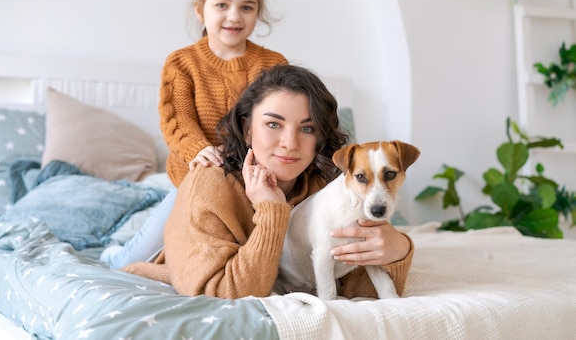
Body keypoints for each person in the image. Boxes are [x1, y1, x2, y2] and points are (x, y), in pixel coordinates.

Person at [121, 65, 414, 300]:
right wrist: (271, 213)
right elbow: (232, 295)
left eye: (307, 128)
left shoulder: (325, 187)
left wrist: (398, 250)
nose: (289, 143)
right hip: (184, 254)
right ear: (248, 130)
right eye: (273, 124)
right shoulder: (209, 186)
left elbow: (352, 285)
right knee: (121, 254)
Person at [100, 0, 288, 269]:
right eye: (222, 5)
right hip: (198, 174)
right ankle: (116, 255)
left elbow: (281, 121)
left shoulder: (273, 65)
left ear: (258, 13)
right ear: (200, 10)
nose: (235, 16)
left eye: (247, 7)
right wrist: (198, 149)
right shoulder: (182, 63)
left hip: (255, 178)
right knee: (131, 262)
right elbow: (177, 119)